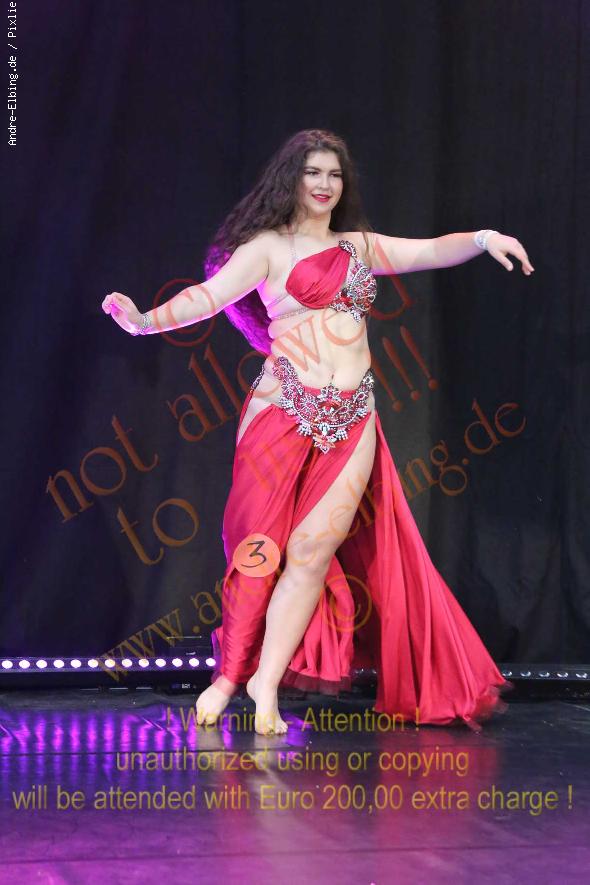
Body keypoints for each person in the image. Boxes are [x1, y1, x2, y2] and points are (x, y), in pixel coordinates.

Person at [102, 129, 534, 735]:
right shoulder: (267, 248)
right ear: (292, 179)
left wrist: (486, 239)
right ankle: (227, 677)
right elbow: (207, 297)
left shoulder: (357, 247)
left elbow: (432, 250)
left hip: (353, 415)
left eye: (334, 174)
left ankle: (266, 684)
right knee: (259, 551)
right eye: (313, 173)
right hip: (282, 411)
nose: (325, 184)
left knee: (311, 552)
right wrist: (143, 322)